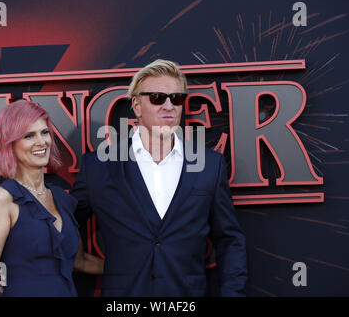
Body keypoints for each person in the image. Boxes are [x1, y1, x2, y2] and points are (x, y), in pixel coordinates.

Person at [71, 59, 247, 296]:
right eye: (157, 97)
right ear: (136, 105)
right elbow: (65, 221)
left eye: (176, 98)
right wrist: (80, 261)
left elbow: (229, 239)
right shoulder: (98, 167)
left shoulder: (209, 165)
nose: (169, 106)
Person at [0, 100, 103, 297]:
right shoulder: (2, 198)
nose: (41, 142)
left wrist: (136, 268)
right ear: (10, 144)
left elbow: (80, 262)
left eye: (44, 133)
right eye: (28, 136)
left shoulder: (62, 199)